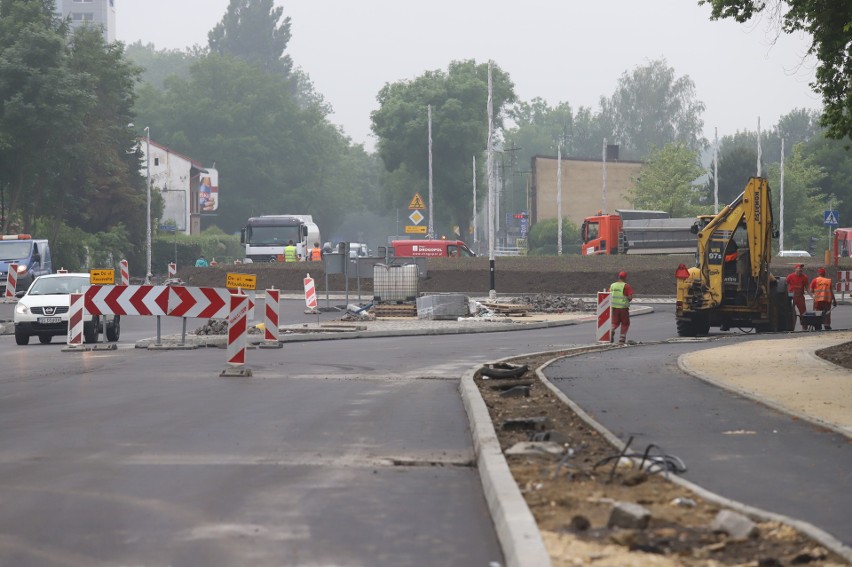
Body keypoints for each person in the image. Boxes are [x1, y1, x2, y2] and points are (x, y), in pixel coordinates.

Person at [609, 271, 634, 345]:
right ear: (625, 278)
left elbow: (608, 294)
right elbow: (630, 298)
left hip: (614, 308)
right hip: (623, 308)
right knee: (625, 323)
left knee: (615, 322)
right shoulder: (626, 286)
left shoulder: (612, 285)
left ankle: (611, 330)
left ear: (618, 277)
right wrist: (626, 298)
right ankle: (621, 340)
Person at [785, 263, 810, 330]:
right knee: (791, 313)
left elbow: (807, 287)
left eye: (802, 268)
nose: (801, 269)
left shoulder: (804, 277)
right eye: (799, 268)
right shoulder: (790, 276)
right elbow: (785, 285)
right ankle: (791, 328)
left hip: (800, 297)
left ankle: (804, 328)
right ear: (795, 269)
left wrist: (812, 295)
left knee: (803, 313)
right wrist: (786, 294)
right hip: (791, 297)